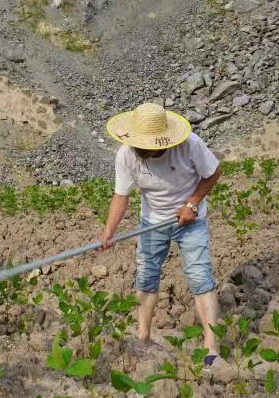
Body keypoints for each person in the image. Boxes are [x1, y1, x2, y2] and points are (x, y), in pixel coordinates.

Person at [98, 102, 222, 364]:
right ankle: (143, 338)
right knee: (146, 275)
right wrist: (109, 231)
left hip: (190, 222)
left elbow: (213, 173)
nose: (142, 151)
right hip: (152, 221)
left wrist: (191, 203)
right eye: (139, 145)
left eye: (148, 147)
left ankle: (211, 349)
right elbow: (121, 196)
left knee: (200, 276)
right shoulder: (126, 155)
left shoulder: (190, 145)